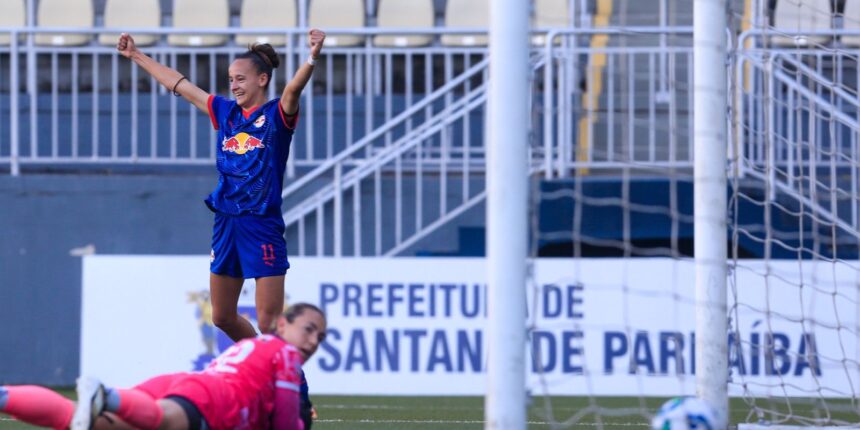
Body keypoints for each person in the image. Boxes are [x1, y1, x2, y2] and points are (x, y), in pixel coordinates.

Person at [114, 30, 326, 341]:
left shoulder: (276, 116)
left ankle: (280, 370)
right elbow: (181, 86)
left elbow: (294, 89)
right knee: (222, 317)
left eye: (240, 79)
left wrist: (312, 57)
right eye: (231, 79)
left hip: (261, 224)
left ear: (262, 80)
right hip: (226, 222)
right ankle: (258, 360)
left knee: (269, 324)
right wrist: (136, 55)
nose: (234, 85)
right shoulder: (226, 113)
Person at [0, 303, 327, 430]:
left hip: (187, 386)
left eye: (321, 337)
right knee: (164, 421)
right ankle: (106, 395)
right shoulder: (285, 354)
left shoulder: (254, 346)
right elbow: (286, 424)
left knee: (76, 419)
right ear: (282, 325)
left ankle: (3, 396)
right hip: (212, 400)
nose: (313, 342)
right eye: (308, 330)